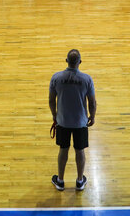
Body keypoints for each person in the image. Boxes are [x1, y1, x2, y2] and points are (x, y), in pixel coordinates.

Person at [49, 49, 97, 192]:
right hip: (80, 122)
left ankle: (61, 181)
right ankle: (80, 181)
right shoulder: (87, 79)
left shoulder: (56, 78)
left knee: (63, 150)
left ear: (66, 61)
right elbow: (92, 102)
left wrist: (54, 115)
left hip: (62, 121)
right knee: (79, 151)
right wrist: (92, 116)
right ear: (80, 62)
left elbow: (51, 100)